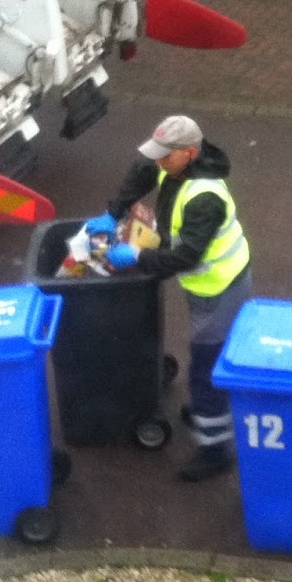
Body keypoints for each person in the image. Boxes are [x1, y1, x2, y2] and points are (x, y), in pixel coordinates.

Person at [86, 115, 251, 482]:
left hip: (220, 288)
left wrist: (138, 258)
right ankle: (210, 411)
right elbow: (142, 170)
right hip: (205, 286)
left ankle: (215, 448)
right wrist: (112, 213)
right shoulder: (173, 166)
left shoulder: (204, 198)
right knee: (207, 361)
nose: (158, 161)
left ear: (189, 153)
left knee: (206, 367)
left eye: (165, 156)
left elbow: (186, 257)